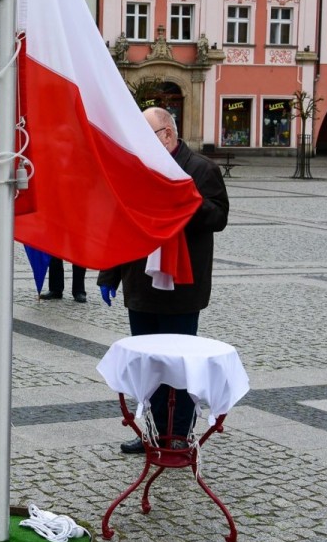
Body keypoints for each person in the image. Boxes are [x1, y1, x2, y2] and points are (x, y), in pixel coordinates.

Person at [98, 107, 229, 454]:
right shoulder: (139, 169)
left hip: (182, 288)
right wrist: (109, 273)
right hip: (141, 285)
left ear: (167, 135)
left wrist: (185, 203)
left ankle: (179, 436)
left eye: (147, 136)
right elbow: (120, 221)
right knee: (149, 365)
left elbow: (218, 217)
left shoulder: (201, 169)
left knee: (179, 367)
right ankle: (153, 432)